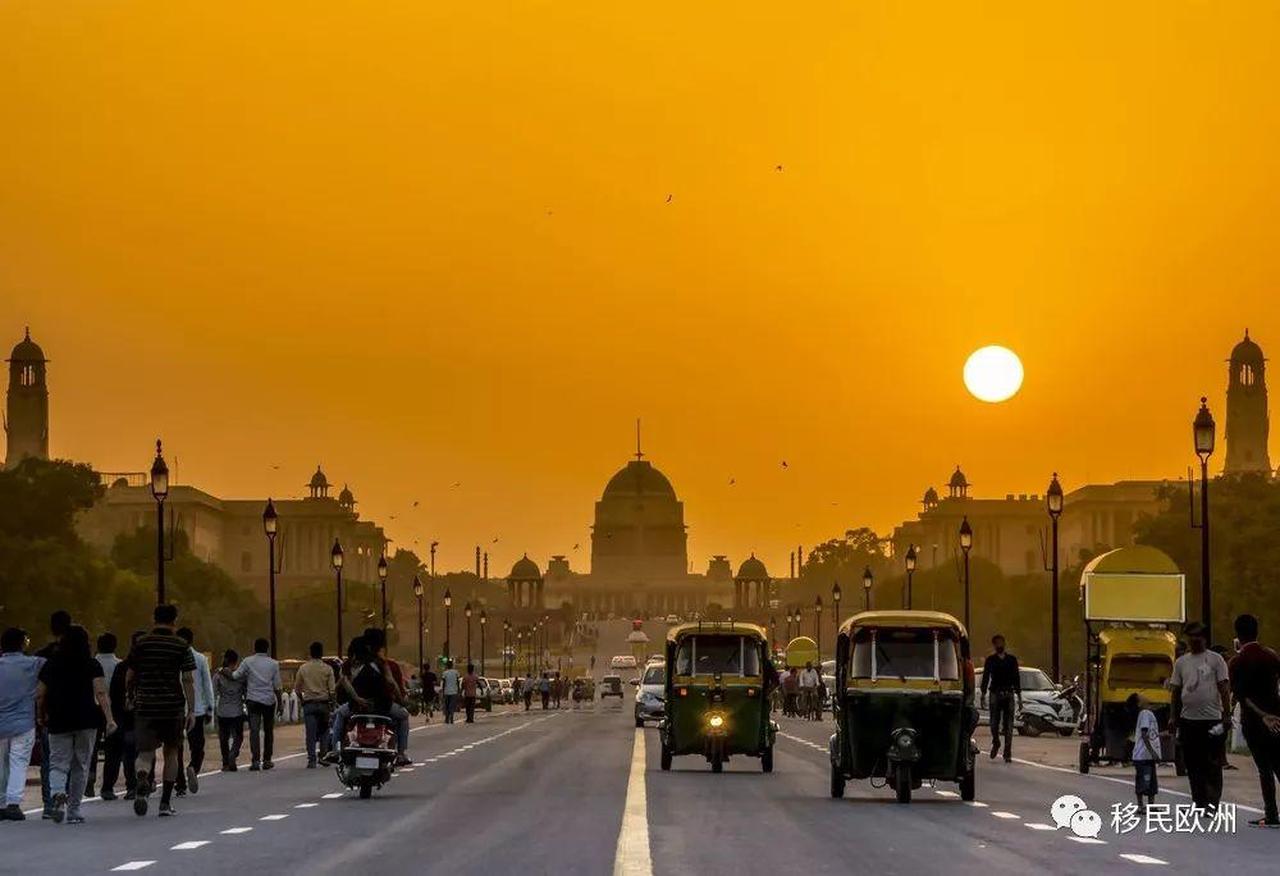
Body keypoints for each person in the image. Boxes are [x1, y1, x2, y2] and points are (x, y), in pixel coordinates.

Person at [37, 625, 114, 824]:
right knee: (81, 765)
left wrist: (40, 714)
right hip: (87, 720)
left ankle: (57, 793)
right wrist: (109, 719)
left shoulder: (51, 665)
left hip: (58, 720)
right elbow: (101, 693)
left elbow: (39, 694)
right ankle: (74, 810)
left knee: (57, 763)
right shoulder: (92, 664)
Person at [127, 604, 195, 817]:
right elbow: (187, 679)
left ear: (153, 619)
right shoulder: (181, 645)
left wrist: (131, 697)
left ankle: (142, 775)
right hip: (172, 707)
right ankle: (165, 803)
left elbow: (130, 675)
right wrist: (192, 709)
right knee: (171, 752)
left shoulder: (141, 644)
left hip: (146, 706)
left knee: (145, 752)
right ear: (175, 620)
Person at [1169, 620, 1231, 811]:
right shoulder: (1181, 662)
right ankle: (1199, 800)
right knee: (1193, 763)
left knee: (1212, 761)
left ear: (1204, 638)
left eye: (1198, 635)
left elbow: (1224, 688)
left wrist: (1226, 715)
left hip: (1212, 719)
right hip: (1189, 720)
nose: (1195, 639)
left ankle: (1212, 800)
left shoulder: (1215, 660)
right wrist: (1173, 717)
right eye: (1191, 636)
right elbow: (1176, 692)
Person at [1228, 613, 1280, 828]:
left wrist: (1262, 715)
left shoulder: (1237, 662)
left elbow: (1242, 695)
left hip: (1255, 721)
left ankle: (1271, 813)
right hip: (1277, 717)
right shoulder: (1271, 656)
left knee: (1264, 768)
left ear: (1238, 635)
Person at [0, 627, 46, 821]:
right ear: (23, 643)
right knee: (18, 762)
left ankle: (1, 802)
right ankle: (13, 803)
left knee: (1, 764)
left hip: (1, 722)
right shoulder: (34, 663)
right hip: (24, 721)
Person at [34, 610, 72, 818]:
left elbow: (39, 691)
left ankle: (50, 802)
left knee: (50, 760)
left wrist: (39, 715)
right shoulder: (79, 653)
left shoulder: (42, 655)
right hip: (75, 713)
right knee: (72, 760)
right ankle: (66, 798)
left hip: (51, 713)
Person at [102, 631, 144, 800]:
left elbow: (112, 693)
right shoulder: (145, 668)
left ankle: (108, 787)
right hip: (136, 717)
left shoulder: (122, 666)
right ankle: (133, 786)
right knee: (133, 752)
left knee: (115, 753)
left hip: (120, 715)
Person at [362, 629, 411, 765]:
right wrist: (402, 702)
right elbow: (393, 684)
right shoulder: (384, 664)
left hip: (359, 706)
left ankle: (337, 748)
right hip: (381, 706)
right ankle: (401, 753)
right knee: (403, 716)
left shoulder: (358, 662)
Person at [174, 627, 213, 796]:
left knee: (176, 748)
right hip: (196, 709)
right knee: (197, 746)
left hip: (176, 708)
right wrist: (210, 707)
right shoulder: (200, 658)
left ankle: (180, 783)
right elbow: (207, 684)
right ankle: (193, 767)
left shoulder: (173, 658)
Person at [234, 638, 281, 771]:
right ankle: (267, 760)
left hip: (253, 700)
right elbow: (277, 686)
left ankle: (255, 760)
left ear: (254, 648)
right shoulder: (274, 664)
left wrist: (225, 672)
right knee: (268, 731)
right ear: (267, 649)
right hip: (268, 701)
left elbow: (236, 675)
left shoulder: (247, 661)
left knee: (254, 731)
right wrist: (281, 705)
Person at [85, 632, 120, 799]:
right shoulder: (119, 665)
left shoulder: (90, 663)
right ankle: (107, 786)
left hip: (92, 709)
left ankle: (89, 779)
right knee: (112, 750)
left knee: (90, 747)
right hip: (113, 711)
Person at [980, 634, 1022, 763]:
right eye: (997, 643)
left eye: (1001, 642)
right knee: (993, 723)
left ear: (1004, 644)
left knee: (1009, 725)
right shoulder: (991, 660)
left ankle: (1007, 753)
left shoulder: (1012, 660)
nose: (999, 645)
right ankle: (996, 741)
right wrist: (983, 693)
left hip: (1009, 693)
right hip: (995, 693)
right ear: (994, 645)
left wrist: (1019, 696)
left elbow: (1016, 678)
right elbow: (986, 677)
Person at [295, 641, 335, 768]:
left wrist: (302, 700)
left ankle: (312, 759)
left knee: (310, 734)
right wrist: (332, 704)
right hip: (323, 704)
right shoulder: (328, 669)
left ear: (310, 653)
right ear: (322, 654)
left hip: (309, 704)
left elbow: (297, 689)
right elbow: (332, 691)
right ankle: (323, 756)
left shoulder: (303, 668)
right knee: (324, 731)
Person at [1128, 693, 1161, 812]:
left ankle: (1150, 805)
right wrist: (1153, 752)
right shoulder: (1145, 714)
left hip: (1146, 756)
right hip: (1143, 755)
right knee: (1144, 780)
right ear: (1139, 703)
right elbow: (1144, 733)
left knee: (1151, 781)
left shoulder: (1147, 713)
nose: (1145, 696)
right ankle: (1140, 806)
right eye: (1141, 697)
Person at [214, 650, 246, 771]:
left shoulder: (218, 675)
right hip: (237, 710)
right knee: (238, 737)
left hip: (223, 711)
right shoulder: (241, 675)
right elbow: (245, 691)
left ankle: (225, 763)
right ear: (236, 660)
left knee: (223, 738)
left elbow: (214, 692)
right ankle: (233, 753)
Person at [441, 660, 460, 724]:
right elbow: (457, 681)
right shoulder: (456, 672)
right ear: (452, 665)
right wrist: (458, 690)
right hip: (454, 691)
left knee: (446, 705)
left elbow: (444, 682)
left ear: (447, 665)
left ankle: (447, 718)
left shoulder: (445, 673)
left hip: (446, 691)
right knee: (452, 705)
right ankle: (451, 718)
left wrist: (443, 691)